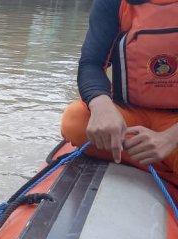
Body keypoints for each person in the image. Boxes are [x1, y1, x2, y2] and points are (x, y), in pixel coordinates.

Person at [60, 0, 178, 186]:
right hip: (131, 116)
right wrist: (101, 105)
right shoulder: (114, 3)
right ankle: (163, 165)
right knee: (75, 121)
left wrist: (170, 138)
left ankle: (161, 165)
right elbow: (92, 63)